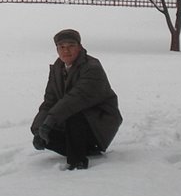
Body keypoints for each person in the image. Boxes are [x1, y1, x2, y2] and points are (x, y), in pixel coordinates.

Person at [30, 28, 122, 170]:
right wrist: (38, 129)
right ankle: (82, 148)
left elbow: (76, 99)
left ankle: (77, 162)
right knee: (45, 134)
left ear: (79, 47)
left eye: (71, 46)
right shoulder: (57, 69)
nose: (66, 51)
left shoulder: (92, 67)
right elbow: (50, 100)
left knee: (73, 114)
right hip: (71, 120)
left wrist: (50, 120)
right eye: (62, 47)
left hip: (99, 122)